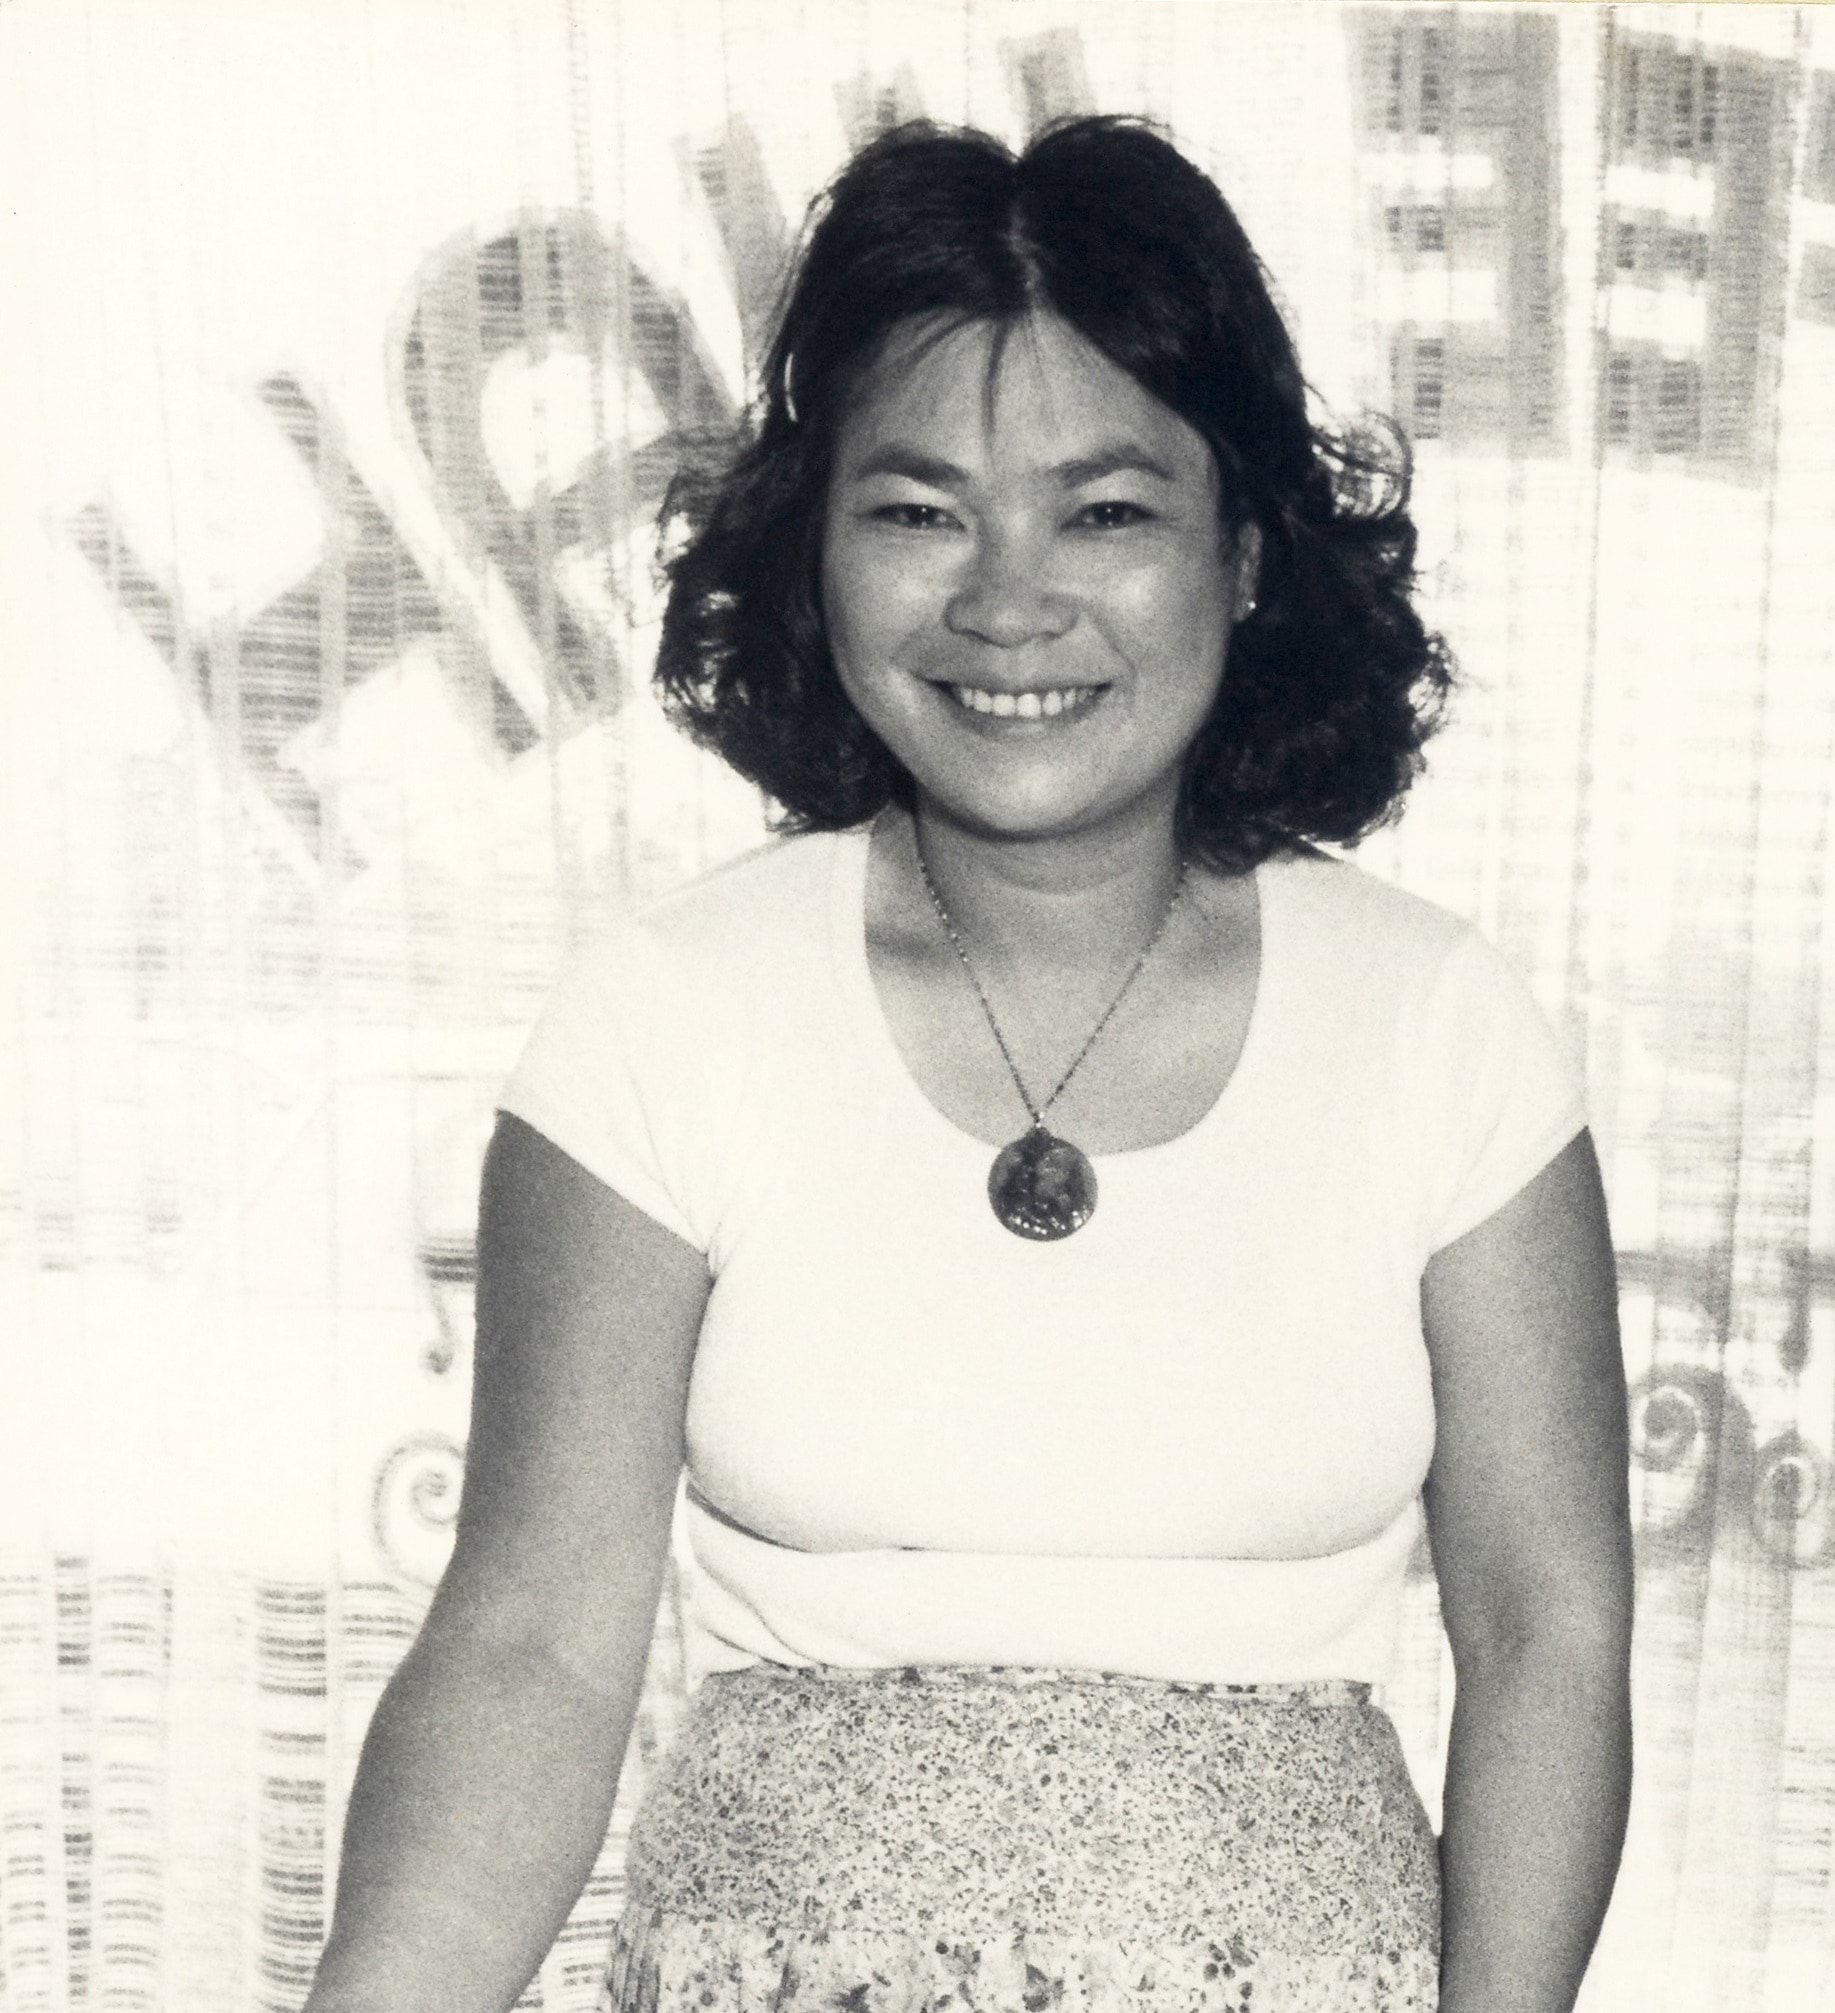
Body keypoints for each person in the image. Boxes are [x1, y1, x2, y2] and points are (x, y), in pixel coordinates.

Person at [303, 116, 1633, 2013]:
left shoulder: (1446, 1031)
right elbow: (530, 1648)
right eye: (918, 511)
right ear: (813, 550)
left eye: (1106, 512)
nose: (1009, 604)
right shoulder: (663, 1018)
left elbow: (1546, 1635)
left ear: (1247, 553)